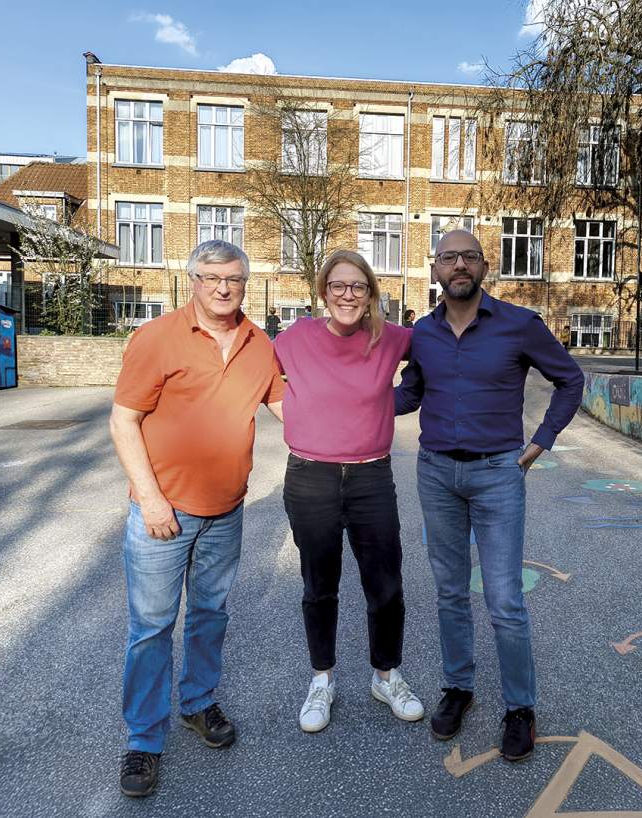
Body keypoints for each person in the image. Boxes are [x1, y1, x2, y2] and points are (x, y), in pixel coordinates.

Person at [395, 230, 584, 762]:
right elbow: (410, 394)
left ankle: (520, 708)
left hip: (498, 473)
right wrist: (350, 401)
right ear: (435, 269)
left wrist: (538, 444)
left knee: (504, 599)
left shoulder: (520, 325)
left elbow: (571, 380)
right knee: (450, 590)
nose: (459, 264)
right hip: (436, 474)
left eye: (469, 256)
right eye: (449, 257)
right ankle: (458, 689)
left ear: (484, 266)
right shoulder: (423, 334)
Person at [109, 240, 284, 798]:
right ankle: (142, 740)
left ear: (245, 282)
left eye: (232, 277)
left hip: (225, 513)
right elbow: (124, 421)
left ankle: (198, 703)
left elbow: (292, 412)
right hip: (163, 514)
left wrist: (367, 408)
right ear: (192, 281)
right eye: (210, 277)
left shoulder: (261, 345)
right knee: (153, 628)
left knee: (210, 614)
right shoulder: (157, 338)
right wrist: (150, 497)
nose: (222, 287)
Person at [274, 249, 424, 734]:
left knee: (386, 584)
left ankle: (386, 675)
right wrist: (294, 417)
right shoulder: (296, 337)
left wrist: (391, 403)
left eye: (358, 286)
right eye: (338, 286)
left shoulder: (391, 339)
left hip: (370, 477)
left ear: (370, 295)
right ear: (323, 292)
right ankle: (322, 679)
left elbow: (438, 353)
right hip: (311, 477)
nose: (347, 295)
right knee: (320, 586)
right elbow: (254, 376)